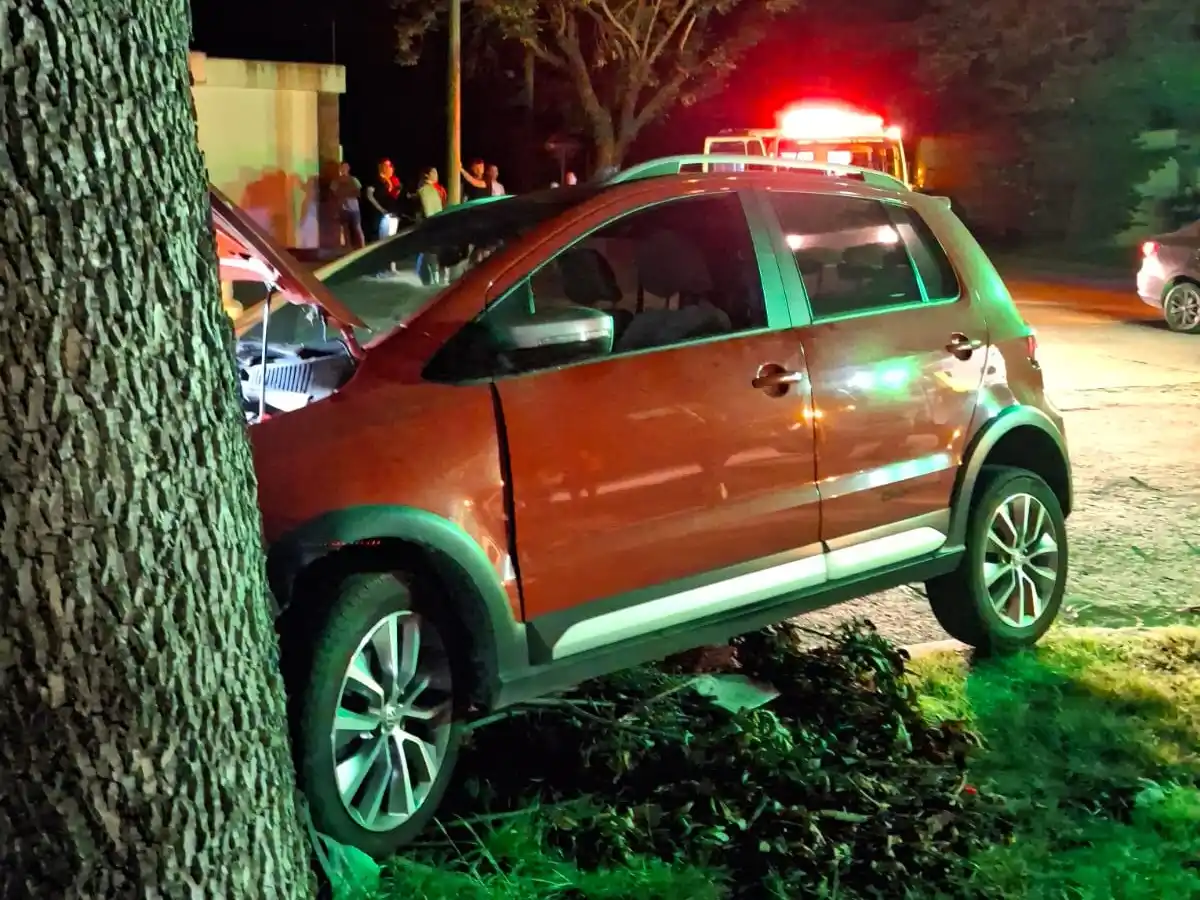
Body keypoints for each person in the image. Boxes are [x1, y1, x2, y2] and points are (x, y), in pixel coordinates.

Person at [364, 158, 402, 241]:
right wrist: (381, 209)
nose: (390, 168)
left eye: (390, 165)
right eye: (387, 165)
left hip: (392, 213)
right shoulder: (376, 179)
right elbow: (369, 195)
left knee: (391, 238)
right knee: (380, 238)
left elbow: (395, 197)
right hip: (380, 214)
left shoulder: (394, 180)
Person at [329, 162, 365, 249]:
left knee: (357, 227)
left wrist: (345, 193)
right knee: (345, 229)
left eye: (345, 167)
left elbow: (359, 192)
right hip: (342, 208)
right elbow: (333, 194)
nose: (344, 169)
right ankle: (347, 249)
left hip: (354, 208)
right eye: (342, 168)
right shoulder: (336, 181)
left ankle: (363, 247)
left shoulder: (353, 179)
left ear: (348, 169)